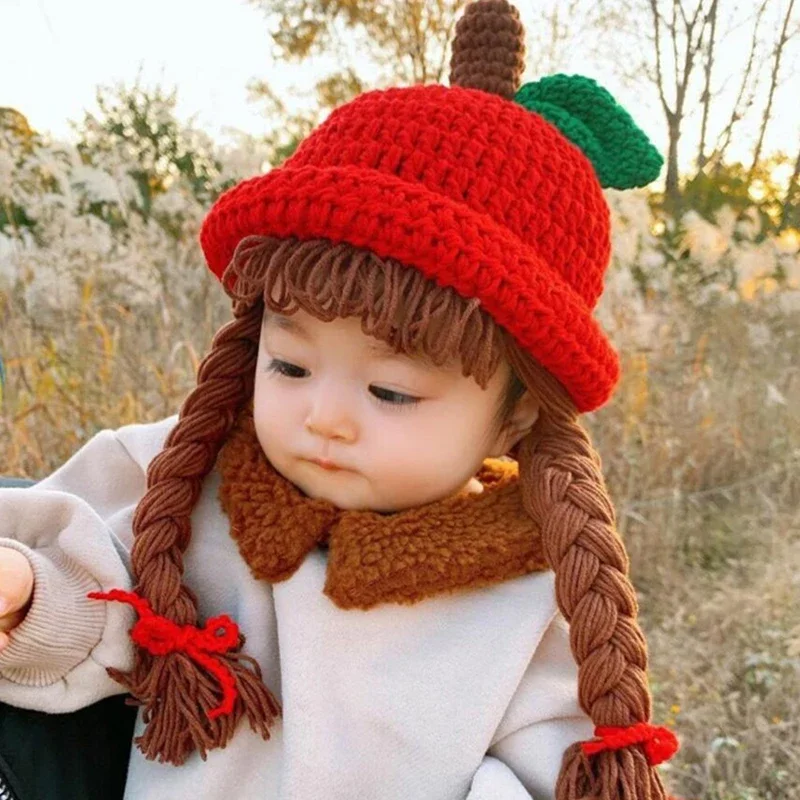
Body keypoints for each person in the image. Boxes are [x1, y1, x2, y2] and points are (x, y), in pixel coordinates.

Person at [0, 1, 681, 798]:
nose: (323, 414)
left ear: (517, 413)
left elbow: (549, 769)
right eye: (288, 365)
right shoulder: (182, 486)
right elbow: (100, 608)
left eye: (391, 390)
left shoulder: (529, 600)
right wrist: (26, 599)